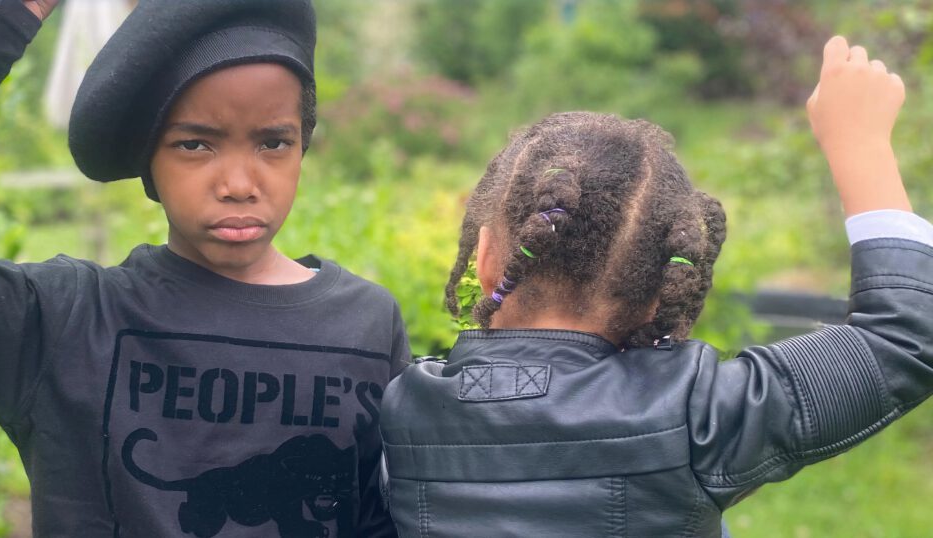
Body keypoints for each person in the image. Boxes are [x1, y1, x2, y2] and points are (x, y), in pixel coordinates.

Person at [380, 36, 932, 537]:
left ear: (485, 260)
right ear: (661, 288)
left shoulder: (407, 409)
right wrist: (860, 145)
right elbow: (905, 332)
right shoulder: (697, 414)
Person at [0, 1, 408, 536]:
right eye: (195, 144)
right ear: (149, 161)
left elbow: (386, 515)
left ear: (303, 145)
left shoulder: (366, 325)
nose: (239, 183)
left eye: (273, 142)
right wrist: (2, 17)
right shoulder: (68, 322)